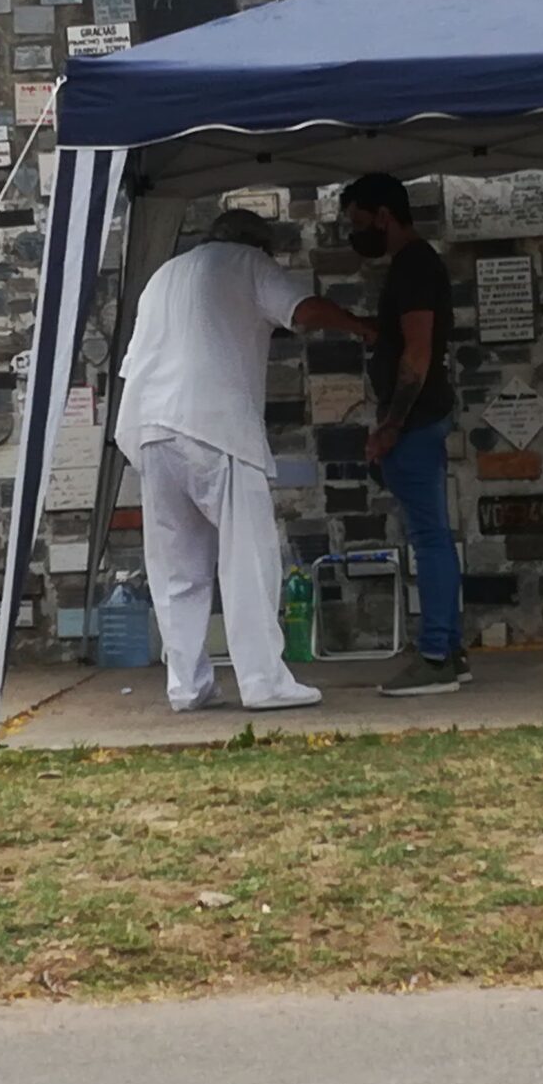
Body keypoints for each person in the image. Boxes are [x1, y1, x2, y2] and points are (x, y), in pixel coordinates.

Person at [112, 208, 374, 713]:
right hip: (214, 423)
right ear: (259, 245)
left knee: (178, 569)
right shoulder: (247, 262)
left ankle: (187, 686)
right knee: (248, 558)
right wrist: (361, 325)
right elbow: (302, 310)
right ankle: (262, 681)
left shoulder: (164, 275)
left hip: (150, 426)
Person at [341, 174, 469, 697]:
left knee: (429, 539)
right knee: (434, 536)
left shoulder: (414, 265)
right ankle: (450, 651)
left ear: (383, 215)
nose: (355, 233)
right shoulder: (414, 264)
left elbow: (418, 352)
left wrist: (391, 425)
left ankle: (435, 656)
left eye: (358, 222)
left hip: (414, 422)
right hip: (421, 418)